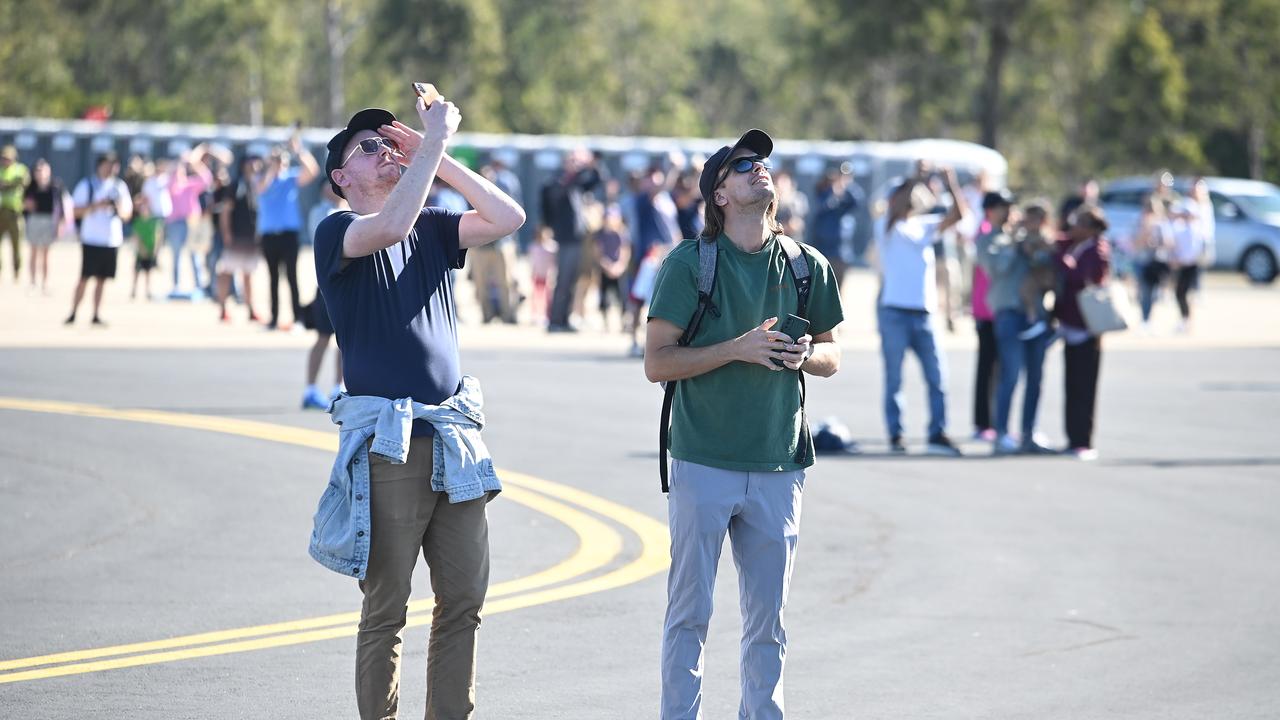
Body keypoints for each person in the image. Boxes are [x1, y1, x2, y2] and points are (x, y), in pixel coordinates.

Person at [310, 95, 524, 720]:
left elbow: (508, 216)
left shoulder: (433, 222)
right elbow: (388, 229)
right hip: (388, 441)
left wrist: (440, 152)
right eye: (368, 148)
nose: (386, 153)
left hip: (452, 435)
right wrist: (430, 143)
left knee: (462, 601)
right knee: (387, 608)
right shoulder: (338, 229)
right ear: (340, 178)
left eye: (389, 143)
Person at [645, 129, 844, 720]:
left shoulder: (809, 266)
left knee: (768, 624)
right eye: (743, 165)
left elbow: (834, 355)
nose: (760, 169)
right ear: (719, 196)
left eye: (763, 163)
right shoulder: (689, 264)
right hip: (704, 459)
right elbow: (658, 363)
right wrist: (738, 348)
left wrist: (805, 355)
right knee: (690, 615)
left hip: (781, 464)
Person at [875, 168, 970, 455]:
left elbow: (959, 215)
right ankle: (896, 434)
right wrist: (915, 178)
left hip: (924, 313)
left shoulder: (925, 225)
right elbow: (898, 208)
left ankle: (937, 432)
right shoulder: (886, 226)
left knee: (937, 377)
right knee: (894, 378)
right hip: (894, 312)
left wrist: (950, 182)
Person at [976, 192, 1055, 455]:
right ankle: (1001, 434)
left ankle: (1028, 433)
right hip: (1008, 313)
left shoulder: (1025, 237)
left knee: (1036, 377)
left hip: (1034, 314)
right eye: (1002, 208)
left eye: (1010, 207)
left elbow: (1045, 262)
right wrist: (1013, 242)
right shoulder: (988, 240)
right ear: (991, 211)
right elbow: (998, 268)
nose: (1009, 212)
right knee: (1010, 375)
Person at [1054, 205, 1112, 460]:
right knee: (1071, 384)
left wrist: (1061, 261)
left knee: (1084, 386)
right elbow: (1057, 240)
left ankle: (1083, 440)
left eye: (1078, 223)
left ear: (1090, 227)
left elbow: (1078, 276)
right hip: (1070, 325)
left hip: (1087, 328)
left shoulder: (1097, 250)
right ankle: (1071, 438)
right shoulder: (1076, 245)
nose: (1072, 227)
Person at [257, 134, 319, 330]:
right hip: (268, 236)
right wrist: (271, 166)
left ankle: (298, 319)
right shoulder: (262, 178)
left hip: (288, 235)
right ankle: (274, 319)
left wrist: (298, 150)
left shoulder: (290, 178)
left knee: (292, 277)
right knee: (273, 278)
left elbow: (312, 171)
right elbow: (261, 188)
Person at [67, 153, 133, 326]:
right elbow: (74, 211)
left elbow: (127, 214)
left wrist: (118, 208)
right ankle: (73, 312)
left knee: (102, 280)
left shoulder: (119, 187)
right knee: (84, 277)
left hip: (111, 240)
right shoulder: (87, 185)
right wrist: (97, 206)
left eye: (114, 165)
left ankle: (96, 314)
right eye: (108, 164)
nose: (112, 168)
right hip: (91, 239)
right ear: (99, 165)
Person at [541, 148, 600, 331]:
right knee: (563, 280)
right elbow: (552, 201)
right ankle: (555, 320)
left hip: (578, 238)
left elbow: (596, 181)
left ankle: (564, 319)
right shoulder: (557, 182)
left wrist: (593, 165)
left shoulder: (576, 182)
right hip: (565, 238)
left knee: (573, 280)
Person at [302, 182, 349, 410]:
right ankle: (310, 389)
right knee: (322, 337)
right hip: (327, 285)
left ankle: (338, 387)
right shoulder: (321, 212)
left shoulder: (350, 210)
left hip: (347, 285)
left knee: (344, 342)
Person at [215, 158, 263, 323]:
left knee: (248, 274)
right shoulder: (235, 185)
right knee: (227, 272)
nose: (256, 166)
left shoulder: (257, 185)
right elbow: (225, 211)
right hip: (236, 236)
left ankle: (250, 309)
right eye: (252, 163)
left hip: (251, 237)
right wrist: (226, 233)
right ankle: (222, 308)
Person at [164, 145, 215, 298]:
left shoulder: (191, 184)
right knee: (176, 255)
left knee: (195, 255)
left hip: (192, 221)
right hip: (175, 222)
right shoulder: (172, 184)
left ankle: (199, 286)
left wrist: (195, 163)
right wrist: (178, 163)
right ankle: (176, 286)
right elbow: (169, 180)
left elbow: (207, 179)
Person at [1169, 178, 1215, 333]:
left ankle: (1188, 320)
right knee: (1180, 291)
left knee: (1190, 291)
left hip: (1194, 256)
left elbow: (1204, 233)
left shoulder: (1204, 209)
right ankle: (1185, 319)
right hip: (1184, 257)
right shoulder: (1187, 208)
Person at [808, 167, 862, 293]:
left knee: (837, 290)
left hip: (840, 253)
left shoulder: (847, 198)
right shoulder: (823, 193)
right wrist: (832, 190)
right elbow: (821, 206)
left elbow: (858, 202)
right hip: (821, 250)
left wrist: (847, 185)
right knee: (819, 289)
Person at [23, 159, 71, 294]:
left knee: (46, 254)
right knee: (33, 252)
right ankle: (32, 282)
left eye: (43, 170)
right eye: (37, 171)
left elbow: (62, 206)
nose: (40, 173)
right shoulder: (30, 187)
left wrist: (62, 224)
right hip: (34, 220)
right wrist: (27, 205)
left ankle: (45, 283)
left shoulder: (56, 186)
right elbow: (25, 205)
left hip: (49, 221)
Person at [594, 203, 631, 332]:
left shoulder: (621, 233)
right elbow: (598, 252)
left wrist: (619, 266)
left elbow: (625, 251)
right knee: (604, 297)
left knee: (622, 297)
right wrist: (606, 266)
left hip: (618, 270)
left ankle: (624, 322)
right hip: (605, 270)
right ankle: (605, 323)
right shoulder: (600, 234)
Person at [0, 145, 30, 281]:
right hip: (1, 211)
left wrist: (7, 185)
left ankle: (16, 272)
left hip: (15, 212)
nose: (5, 161)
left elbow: (25, 184)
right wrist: (10, 184)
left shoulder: (21, 170)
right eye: (4, 158)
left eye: (8, 158)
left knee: (16, 245)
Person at [130, 193, 162, 300]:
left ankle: (148, 291)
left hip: (150, 251)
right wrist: (141, 248)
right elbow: (136, 237)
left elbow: (158, 235)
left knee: (148, 272)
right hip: (140, 252)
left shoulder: (154, 222)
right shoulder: (137, 222)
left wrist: (156, 250)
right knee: (137, 271)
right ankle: (133, 290)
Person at [527, 226, 557, 325]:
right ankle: (535, 315)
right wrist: (532, 273)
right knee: (535, 296)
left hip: (548, 276)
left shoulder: (552, 247)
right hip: (537, 275)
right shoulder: (533, 247)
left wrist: (552, 275)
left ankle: (548, 315)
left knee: (548, 297)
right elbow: (532, 262)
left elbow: (554, 263)